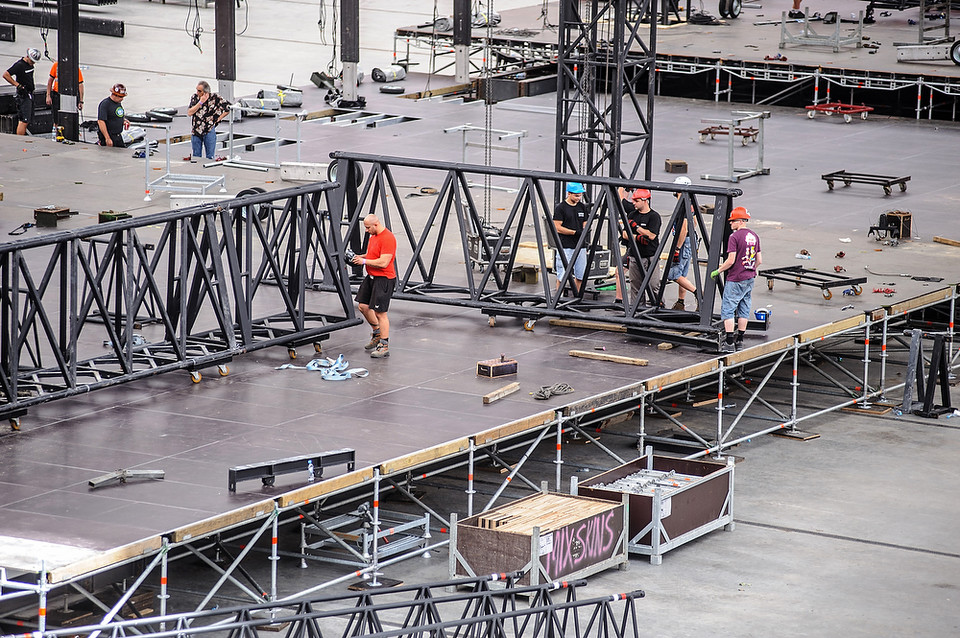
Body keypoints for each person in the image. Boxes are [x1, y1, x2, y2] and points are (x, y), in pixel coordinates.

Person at [711, 206, 761, 353]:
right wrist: (752, 269)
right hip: (749, 277)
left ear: (739, 221)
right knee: (744, 308)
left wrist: (718, 270)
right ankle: (740, 340)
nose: (730, 224)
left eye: (732, 221)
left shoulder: (734, 237)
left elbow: (731, 260)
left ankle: (729, 342)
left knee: (728, 309)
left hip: (736, 278)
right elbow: (759, 260)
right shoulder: (754, 236)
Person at [351, 214, 397, 359]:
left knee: (380, 313)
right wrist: (360, 257)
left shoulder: (388, 238)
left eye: (367, 227)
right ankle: (377, 333)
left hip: (384, 279)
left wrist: (364, 262)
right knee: (363, 306)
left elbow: (383, 262)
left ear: (376, 224)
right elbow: (373, 255)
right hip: (371, 277)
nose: (366, 230)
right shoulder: (374, 237)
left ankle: (384, 346)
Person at [617, 187, 661, 304]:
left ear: (644, 200)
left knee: (653, 285)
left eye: (636, 201)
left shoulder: (654, 216)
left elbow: (651, 236)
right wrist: (639, 237)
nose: (633, 203)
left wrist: (636, 228)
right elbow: (625, 234)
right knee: (635, 286)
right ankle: (637, 311)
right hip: (635, 256)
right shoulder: (632, 214)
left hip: (651, 256)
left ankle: (658, 309)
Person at [667, 176, 699, 311]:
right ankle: (680, 302)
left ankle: (699, 294)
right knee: (683, 273)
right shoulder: (691, 204)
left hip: (683, 242)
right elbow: (695, 224)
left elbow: (684, 229)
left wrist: (677, 248)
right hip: (691, 241)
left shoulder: (683, 205)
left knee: (673, 274)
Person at [553, 182, 589, 295]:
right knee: (562, 275)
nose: (579, 198)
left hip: (580, 246)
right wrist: (574, 232)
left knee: (581, 274)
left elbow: (586, 222)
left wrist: (584, 229)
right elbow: (557, 227)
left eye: (580, 195)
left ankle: (577, 297)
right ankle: (558, 299)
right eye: (576, 195)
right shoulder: (561, 208)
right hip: (565, 246)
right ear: (569, 194)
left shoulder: (582, 207)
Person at [185, 80, 230, 162]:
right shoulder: (195, 97)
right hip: (196, 130)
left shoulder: (215, 98)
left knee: (210, 157)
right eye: (197, 90)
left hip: (209, 129)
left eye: (199, 91)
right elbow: (190, 112)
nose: (197, 92)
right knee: (196, 156)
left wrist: (218, 119)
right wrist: (200, 103)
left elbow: (228, 108)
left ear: (206, 92)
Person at [3, 48, 42, 136]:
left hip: (29, 94)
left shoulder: (30, 65)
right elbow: (6, 74)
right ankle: (20, 139)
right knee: (23, 120)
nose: (33, 63)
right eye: (32, 61)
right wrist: (17, 84)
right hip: (23, 96)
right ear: (27, 57)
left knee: (27, 119)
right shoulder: (19, 65)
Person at [46, 60, 84, 125]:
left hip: (70, 95)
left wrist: (81, 101)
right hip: (57, 95)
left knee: (70, 118)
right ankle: (58, 132)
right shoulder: (56, 65)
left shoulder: (74, 68)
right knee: (56, 119)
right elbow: (50, 81)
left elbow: (80, 84)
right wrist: (48, 95)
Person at [97, 83, 129, 147]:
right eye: (120, 96)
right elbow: (101, 121)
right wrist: (107, 138)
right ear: (114, 95)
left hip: (118, 136)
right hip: (110, 136)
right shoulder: (105, 104)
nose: (122, 99)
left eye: (123, 97)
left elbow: (115, 115)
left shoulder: (118, 103)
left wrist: (123, 121)